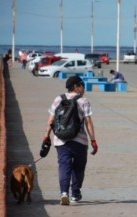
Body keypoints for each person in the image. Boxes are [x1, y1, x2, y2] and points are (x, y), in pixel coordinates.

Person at [42, 75, 98, 205]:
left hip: (61, 140)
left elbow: (51, 120)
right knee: (78, 168)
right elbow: (88, 122)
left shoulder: (58, 99)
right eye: (82, 85)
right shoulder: (84, 101)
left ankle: (64, 193)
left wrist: (46, 135)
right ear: (76, 87)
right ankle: (75, 195)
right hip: (80, 141)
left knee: (64, 166)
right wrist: (93, 140)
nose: (83, 88)